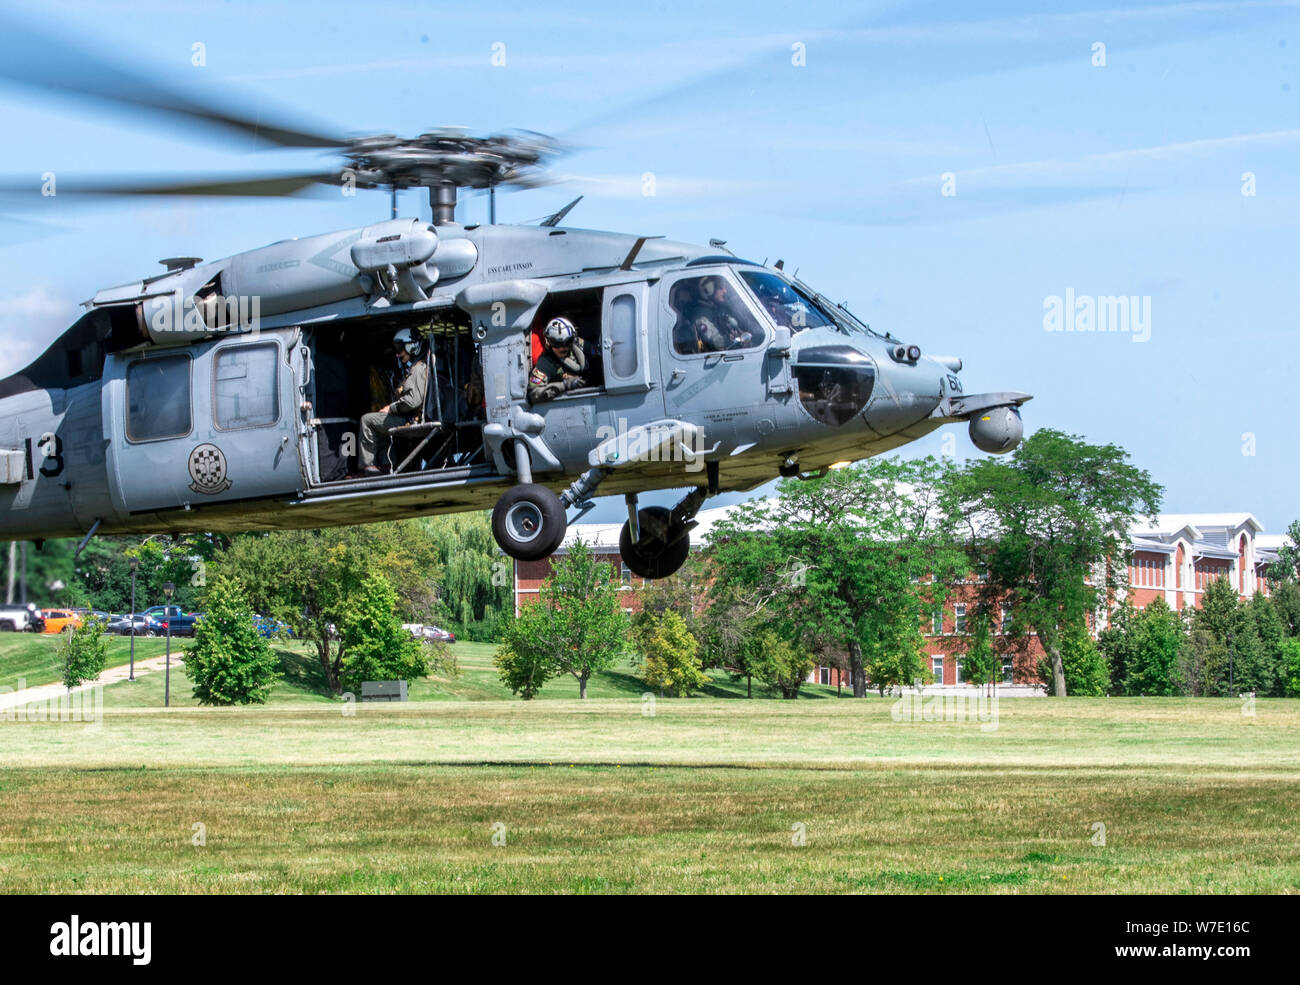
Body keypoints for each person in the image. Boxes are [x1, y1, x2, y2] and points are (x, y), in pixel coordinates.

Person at [359, 328, 429, 475]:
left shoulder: (418, 369)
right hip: (411, 418)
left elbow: (413, 401)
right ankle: (385, 464)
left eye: (400, 349)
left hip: (412, 420)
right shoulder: (419, 367)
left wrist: (391, 408)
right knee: (379, 420)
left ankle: (368, 467)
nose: (397, 354)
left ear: (412, 346)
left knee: (367, 420)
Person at [528, 317, 589, 403]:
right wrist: (564, 385)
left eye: (567, 343)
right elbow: (534, 394)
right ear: (548, 342)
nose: (562, 348)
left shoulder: (580, 346)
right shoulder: (546, 363)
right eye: (556, 344)